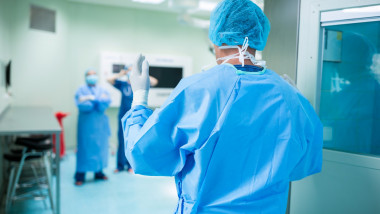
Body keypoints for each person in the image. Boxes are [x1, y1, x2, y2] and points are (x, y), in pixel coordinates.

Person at [122, 0, 323, 213]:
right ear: (258, 37)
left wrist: (139, 100)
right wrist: (299, 101)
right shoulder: (289, 95)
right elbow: (305, 162)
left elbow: (144, 154)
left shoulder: (199, 89)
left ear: (218, 38)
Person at [107, 66, 158, 173]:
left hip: (136, 116)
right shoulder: (123, 84)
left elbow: (154, 81)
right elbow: (109, 80)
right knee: (121, 141)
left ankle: (131, 165)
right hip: (123, 116)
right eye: (130, 71)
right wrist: (121, 74)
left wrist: (141, 74)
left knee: (133, 140)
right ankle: (120, 166)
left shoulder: (140, 86)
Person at [74, 69, 111, 186]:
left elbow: (106, 102)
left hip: (100, 126)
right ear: (85, 77)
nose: (92, 77)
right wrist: (95, 102)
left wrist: (92, 100)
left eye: (93, 75)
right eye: (89, 75)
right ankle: (80, 175)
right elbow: (81, 104)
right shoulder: (81, 90)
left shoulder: (102, 89)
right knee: (84, 149)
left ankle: (99, 173)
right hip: (86, 126)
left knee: (100, 148)